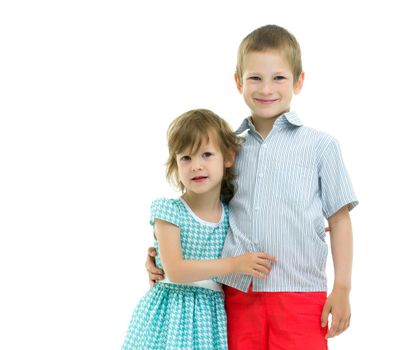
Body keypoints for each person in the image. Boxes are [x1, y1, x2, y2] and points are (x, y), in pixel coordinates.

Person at [147, 25, 359, 350]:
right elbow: (202, 210)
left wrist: (342, 287)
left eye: (279, 78)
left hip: (300, 294)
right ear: (238, 82)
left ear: (299, 81)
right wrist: (161, 254)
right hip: (236, 296)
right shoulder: (228, 150)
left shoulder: (321, 147)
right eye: (255, 78)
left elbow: (340, 219)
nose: (266, 89)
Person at [123, 109, 276, 350]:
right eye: (186, 158)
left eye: (206, 155)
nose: (196, 166)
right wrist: (235, 264)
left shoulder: (231, 215)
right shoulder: (169, 211)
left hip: (210, 317)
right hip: (170, 315)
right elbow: (175, 271)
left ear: (228, 158)